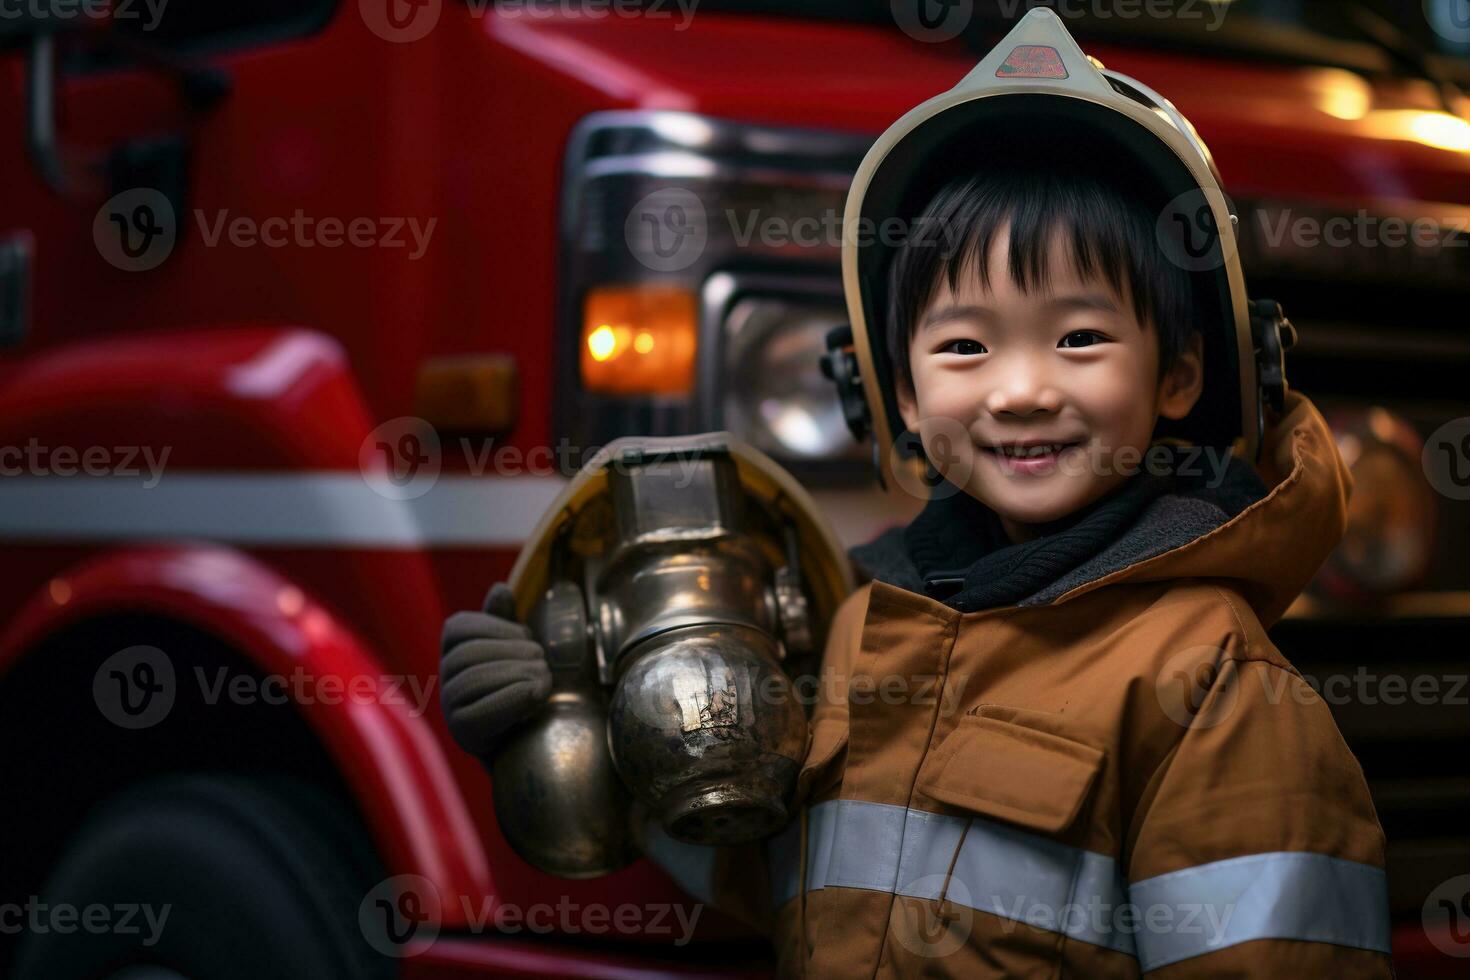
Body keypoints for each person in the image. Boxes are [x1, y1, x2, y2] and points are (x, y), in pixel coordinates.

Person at [440, 10, 1393, 977]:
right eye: (965, 347)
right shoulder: (869, 627)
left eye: (1080, 339)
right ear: (899, 393)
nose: (1021, 390)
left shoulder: (1214, 689)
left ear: (1181, 376)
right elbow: (785, 881)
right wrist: (561, 734)